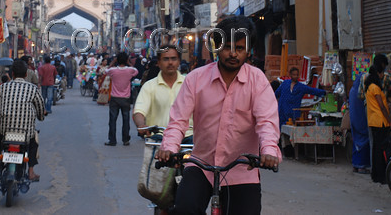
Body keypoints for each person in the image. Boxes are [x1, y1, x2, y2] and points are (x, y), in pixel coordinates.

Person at [157, 16, 281, 214]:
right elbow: (178, 120)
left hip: (243, 169)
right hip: (201, 165)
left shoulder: (257, 80)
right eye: (227, 47)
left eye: (240, 49)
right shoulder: (196, 78)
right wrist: (169, 148)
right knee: (184, 209)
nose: (233, 54)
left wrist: (268, 151)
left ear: (248, 51)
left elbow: (266, 121)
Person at [0, 59, 45, 182]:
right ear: (25, 74)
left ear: (12, 74)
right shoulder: (33, 89)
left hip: (5, 131)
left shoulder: (2, 88)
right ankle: (31, 172)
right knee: (33, 144)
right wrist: (41, 116)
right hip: (26, 133)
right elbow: (40, 108)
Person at [133, 44, 193, 143]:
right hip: (159, 137)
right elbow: (139, 111)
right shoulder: (149, 86)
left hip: (187, 137)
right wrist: (141, 125)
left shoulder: (190, 84)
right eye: (166, 59)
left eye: (173, 59)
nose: (170, 62)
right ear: (159, 63)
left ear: (178, 62)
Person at [365, 54, 391, 184]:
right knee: (381, 151)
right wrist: (389, 120)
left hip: (373, 121)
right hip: (380, 121)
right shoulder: (375, 87)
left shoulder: (369, 86)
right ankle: (381, 176)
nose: (383, 75)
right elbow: (381, 105)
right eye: (382, 73)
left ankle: (376, 175)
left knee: (376, 149)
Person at [104, 51, 138, 146]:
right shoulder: (130, 70)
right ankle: (125, 139)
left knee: (112, 120)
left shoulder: (113, 70)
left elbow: (106, 71)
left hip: (115, 98)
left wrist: (112, 62)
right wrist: (129, 62)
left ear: (117, 60)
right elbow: (136, 70)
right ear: (126, 60)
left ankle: (112, 140)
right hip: (126, 98)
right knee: (126, 120)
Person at [349, 73, 370, 174]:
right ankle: (361, 166)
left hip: (354, 121)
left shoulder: (352, 91)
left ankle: (355, 165)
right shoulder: (360, 92)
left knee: (356, 142)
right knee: (363, 142)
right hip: (361, 121)